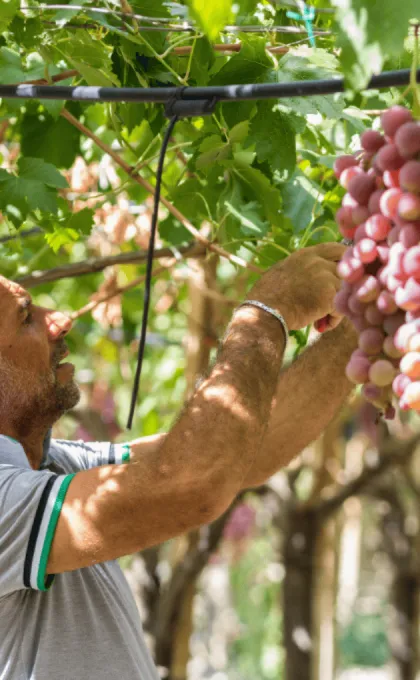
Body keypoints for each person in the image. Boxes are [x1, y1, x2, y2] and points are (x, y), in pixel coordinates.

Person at [0, 242, 357, 679]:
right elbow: (193, 481)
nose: (59, 321)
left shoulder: (52, 464)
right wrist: (265, 310)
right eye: (24, 318)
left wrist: (363, 325)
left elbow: (248, 450)